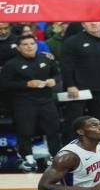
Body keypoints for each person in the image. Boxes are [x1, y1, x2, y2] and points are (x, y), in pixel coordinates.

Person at [0, 35, 61, 171]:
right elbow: (4, 84)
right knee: (25, 130)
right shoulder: (11, 64)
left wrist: (54, 81)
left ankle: (55, 155)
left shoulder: (46, 59)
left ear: (36, 45)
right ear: (18, 47)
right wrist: (26, 84)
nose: (29, 47)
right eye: (25, 44)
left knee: (53, 129)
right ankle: (27, 157)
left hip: (46, 100)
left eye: (32, 43)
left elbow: (57, 74)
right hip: (24, 102)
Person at [60, 21, 100, 143]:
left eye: (96, 21)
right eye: (89, 22)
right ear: (83, 24)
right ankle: (70, 146)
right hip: (78, 89)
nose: (93, 24)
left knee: (98, 119)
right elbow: (66, 66)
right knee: (74, 120)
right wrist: (70, 85)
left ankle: (95, 146)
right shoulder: (72, 41)